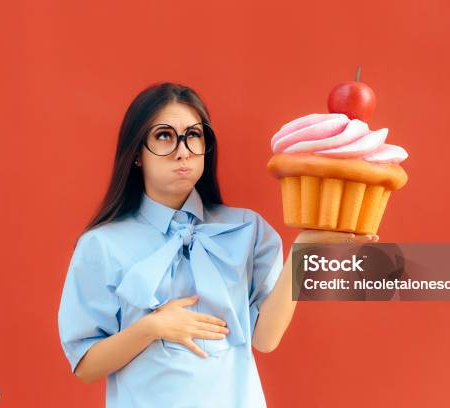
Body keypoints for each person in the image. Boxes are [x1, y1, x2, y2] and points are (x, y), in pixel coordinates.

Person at [57, 82, 378, 408]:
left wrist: (303, 250)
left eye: (193, 135)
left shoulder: (248, 229)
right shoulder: (101, 245)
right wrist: (152, 327)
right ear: (137, 153)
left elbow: (265, 339)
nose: (182, 150)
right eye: (164, 136)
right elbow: (85, 366)